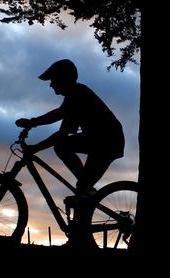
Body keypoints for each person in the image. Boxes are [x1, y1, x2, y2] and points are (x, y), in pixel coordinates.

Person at [15, 59, 125, 195]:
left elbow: (57, 118)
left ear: (63, 78)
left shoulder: (78, 93)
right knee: (83, 187)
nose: (50, 85)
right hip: (102, 141)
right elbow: (62, 131)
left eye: (53, 80)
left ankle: (86, 189)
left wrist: (33, 131)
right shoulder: (74, 96)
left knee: (62, 147)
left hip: (107, 142)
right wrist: (33, 132)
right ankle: (86, 191)